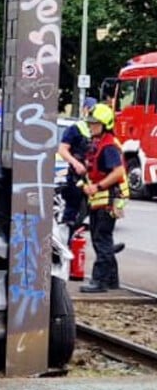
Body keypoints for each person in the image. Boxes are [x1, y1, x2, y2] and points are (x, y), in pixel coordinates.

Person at [79, 103, 127, 294]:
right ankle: (112, 280)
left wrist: (96, 186)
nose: (91, 126)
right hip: (102, 199)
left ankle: (99, 281)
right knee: (103, 239)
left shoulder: (108, 147)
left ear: (104, 124)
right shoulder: (101, 143)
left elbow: (118, 172)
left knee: (102, 241)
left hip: (106, 200)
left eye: (95, 124)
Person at [57, 96, 96, 228]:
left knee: (95, 212)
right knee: (72, 209)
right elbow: (63, 150)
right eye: (89, 109)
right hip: (77, 177)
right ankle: (67, 238)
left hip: (94, 177)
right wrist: (75, 163)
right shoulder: (74, 129)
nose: (91, 112)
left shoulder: (97, 129)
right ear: (84, 109)